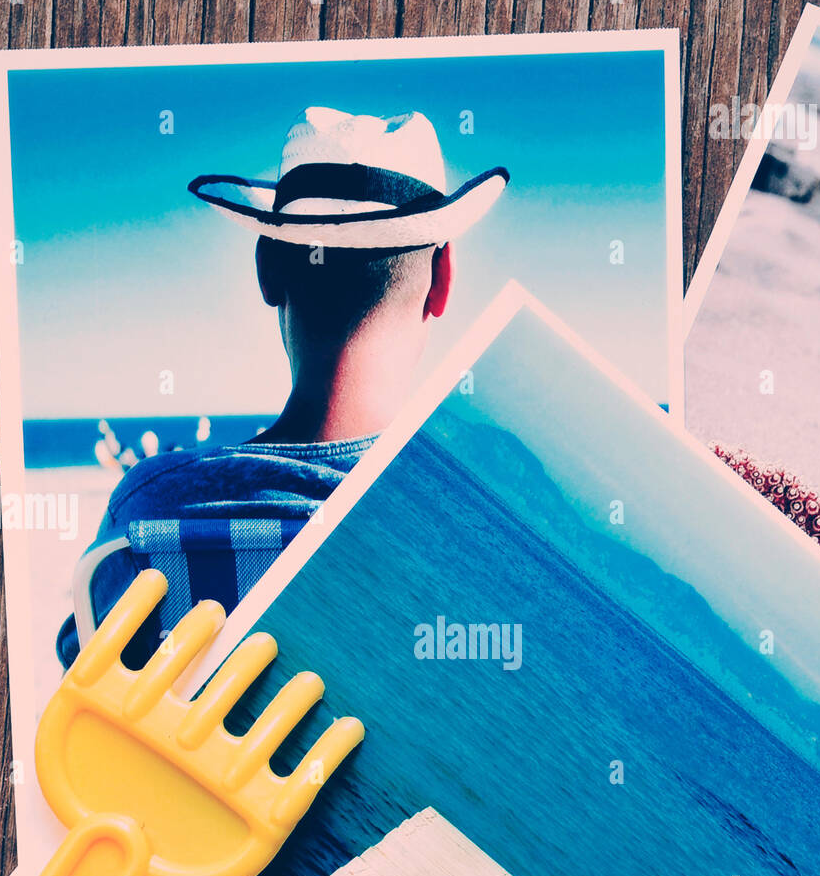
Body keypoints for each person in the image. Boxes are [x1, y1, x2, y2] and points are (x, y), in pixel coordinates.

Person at [56, 106, 508, 667]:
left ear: (267, 270)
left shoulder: (150, 516)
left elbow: (88, 704)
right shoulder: (482, 537)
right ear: (442, 281)